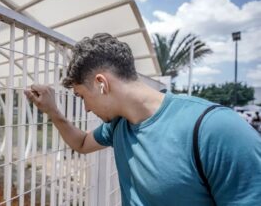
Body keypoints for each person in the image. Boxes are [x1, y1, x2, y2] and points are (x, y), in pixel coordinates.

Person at [24, 33, 261, 205]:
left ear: (101, 84)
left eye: (82, 97)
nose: (85, 108)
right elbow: (82, 143)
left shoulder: (217, 129)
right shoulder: (119, 125)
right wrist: (52, 111)